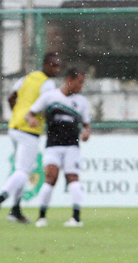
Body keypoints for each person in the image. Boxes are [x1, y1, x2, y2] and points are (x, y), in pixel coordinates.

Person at [0, 52, 61, 225]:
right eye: (53, 65)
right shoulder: (48, 83)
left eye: (58, 66)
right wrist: (42, 118)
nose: (56, 69)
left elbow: (11, 97)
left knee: (21, 169)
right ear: (45, 65)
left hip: (15, 126)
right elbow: (48, 106)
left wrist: (17, 112)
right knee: (23, 171)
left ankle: (16, 210)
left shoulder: (28, 78)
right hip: (29, 130)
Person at [27, 67, 91, 227]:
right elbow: (30, 113)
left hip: (72, 147)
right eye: (79, 82)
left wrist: (86, 133)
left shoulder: (82, 102)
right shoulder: (50, 97)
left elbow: (86, 125)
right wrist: (31, 120)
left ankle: (76, 218)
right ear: (69, 80)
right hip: (53, 146)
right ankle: (41, 217)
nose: (81, 86)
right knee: (51, 177)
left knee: (73, 179)